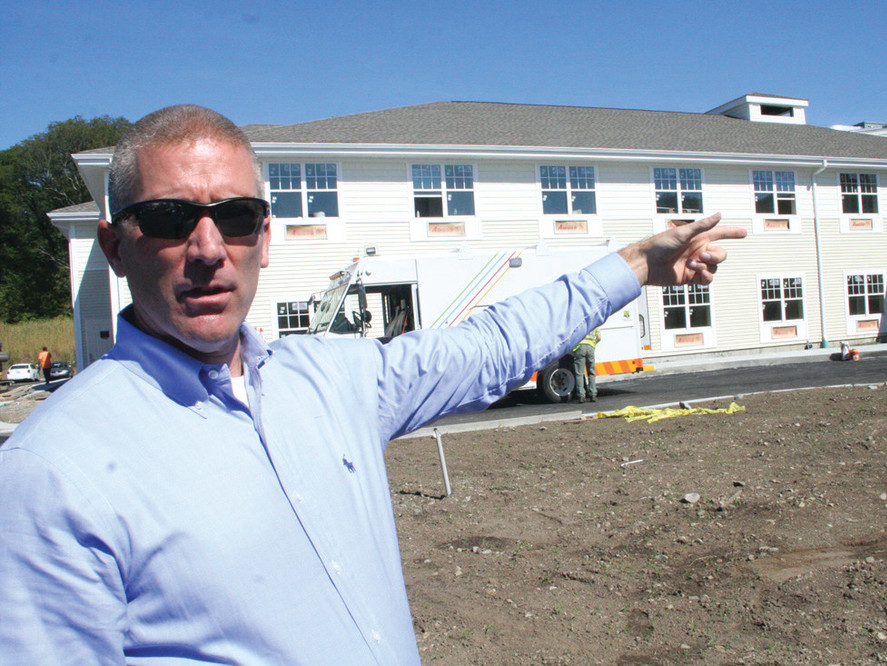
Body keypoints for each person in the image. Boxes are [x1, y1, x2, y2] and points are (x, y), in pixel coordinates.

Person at [0, 104, 746, 663]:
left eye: (233, 217)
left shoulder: (331, 380)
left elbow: (490, 346)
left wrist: (635, 268)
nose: (206, 250)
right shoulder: (51, 473)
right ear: (115, 245)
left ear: (263, 237)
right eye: (168, 219)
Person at [572, 327, 601, 403]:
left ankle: (581, 396)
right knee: (591, 372)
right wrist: (593, 344)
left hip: (580, 348)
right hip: (590, 348)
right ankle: (593, 395)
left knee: (580, 374)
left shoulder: (579, 322)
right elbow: (599, 338)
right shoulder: (595, 322)